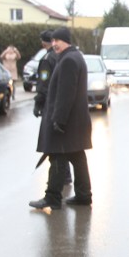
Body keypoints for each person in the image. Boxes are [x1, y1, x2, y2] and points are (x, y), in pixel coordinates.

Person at [30, 27, 93, 210]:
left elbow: (66, 94)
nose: (55, 44)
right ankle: (83, 195)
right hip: (75, 123)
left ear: (67, 41)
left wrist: (59, 120)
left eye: (59, 40)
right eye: (53, 41)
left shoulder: (68, 60)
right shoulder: (74, 57)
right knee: (77, 157)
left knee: (57, 156)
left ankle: (52, 198)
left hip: (66, 123)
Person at [34, 30, 57, 118]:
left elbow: (44, 82)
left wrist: (38, 103)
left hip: (49, 102)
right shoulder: (60, 55)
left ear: (43, 43)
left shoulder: (47, 60)